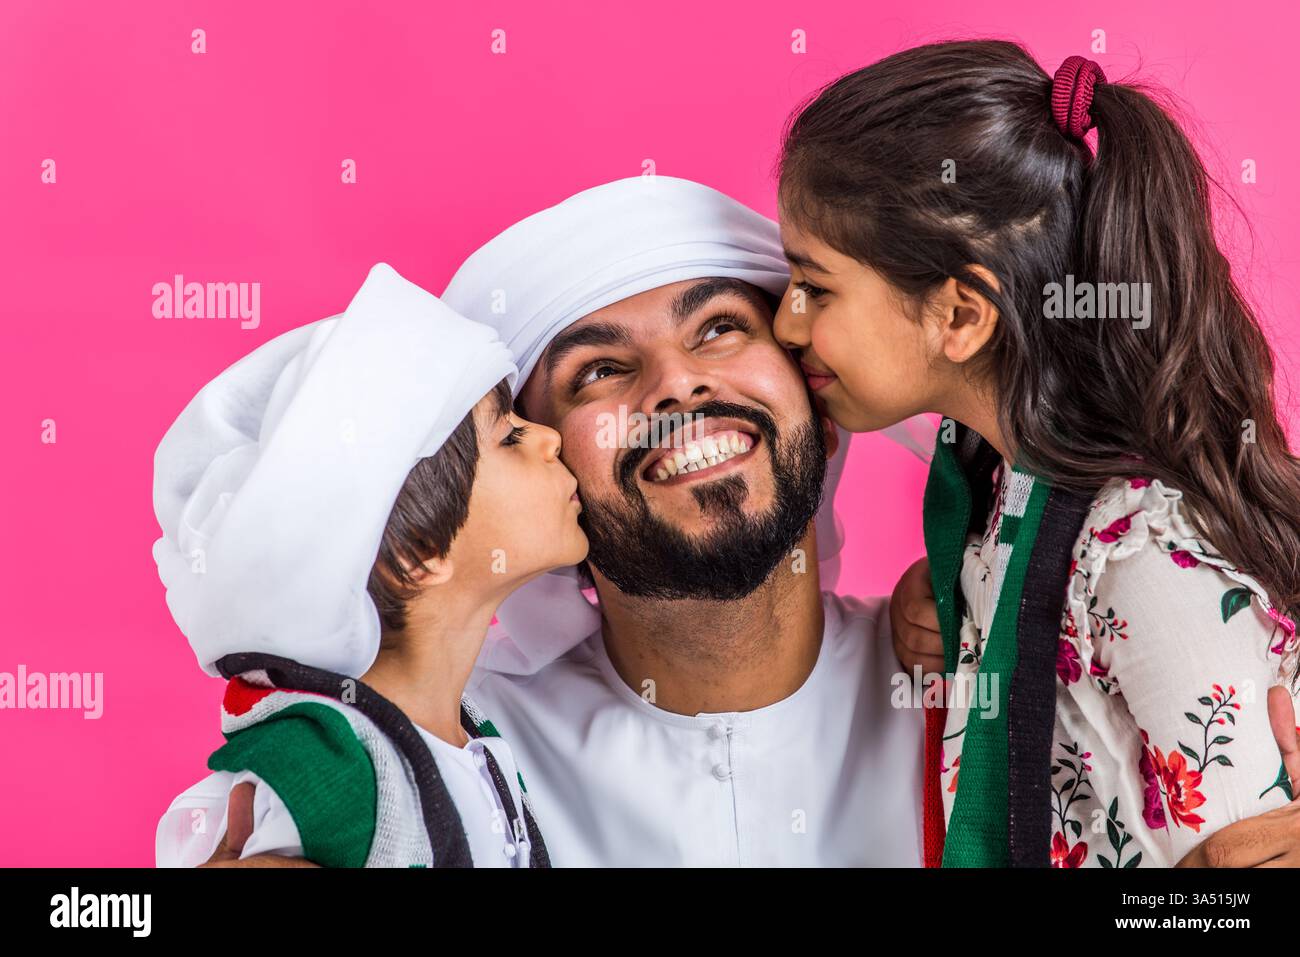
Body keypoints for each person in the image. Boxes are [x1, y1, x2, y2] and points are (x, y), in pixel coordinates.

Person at [200, 176, 1300, 867]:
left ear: (812, 384)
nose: (676, 388)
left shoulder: (1002, 680)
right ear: (526, 463)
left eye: (722, 329)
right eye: (598, 374)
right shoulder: (437, 753)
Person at [772, 40, 1300, 867]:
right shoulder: (997, 503)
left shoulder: (1141, 559)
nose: (787, 323)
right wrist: (955, 615)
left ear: (958, 317)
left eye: (817, 286)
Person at [153, 263, 587, 867]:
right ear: (415, 556)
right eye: (510, 438)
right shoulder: (325, 769)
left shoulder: (475, 738)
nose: (550, 438)